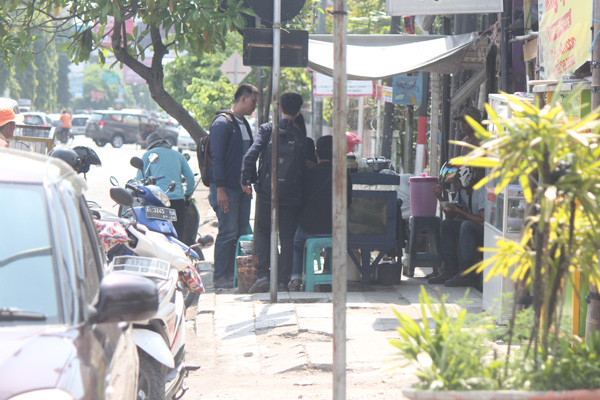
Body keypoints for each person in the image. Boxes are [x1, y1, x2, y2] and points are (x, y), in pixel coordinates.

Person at [241, 92, 309, 293]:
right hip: (292, 194)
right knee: (287, 235)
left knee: (263, 231)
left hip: (266, 193)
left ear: (279, 109)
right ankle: (282, 279)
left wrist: (249, 180)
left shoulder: (268, 129)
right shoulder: (301, 136)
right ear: (298, 112)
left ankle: (263, 275)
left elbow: (250, 156)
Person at [208, 83, 258, 289]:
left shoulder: (244, 124)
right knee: (227, 231)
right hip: (225, 188)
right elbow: (217, 159)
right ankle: (220, 276)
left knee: (240, 231)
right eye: (254, 101)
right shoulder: (222, 123)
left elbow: (244, 158)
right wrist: (220, 190)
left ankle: (235, 274)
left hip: (241, 188)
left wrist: (246, 182)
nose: (255, 106)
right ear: (244, 99)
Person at [287, 135, 352, 291]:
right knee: (332, 242)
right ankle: (327, 273)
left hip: (308, 228)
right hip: (334, 227)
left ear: (316, 153)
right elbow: (348, 203)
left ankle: (295, 277)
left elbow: (299, 201)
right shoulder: (344, 175)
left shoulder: (307, 174)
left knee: (296, 244)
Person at [428, 165, 486, 288]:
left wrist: (460, 212)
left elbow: (483, 221)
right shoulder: (462, 191)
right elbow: (450, 214)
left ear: (465, 178)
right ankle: (450, 270)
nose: (454, 184)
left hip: (485, 232)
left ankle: (466, 274)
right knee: (446, 225)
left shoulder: (481, 190)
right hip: (472, 227)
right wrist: (440, 198)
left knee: (466, 225)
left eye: (456, 181)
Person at [136, 132, 195, 238]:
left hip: (155, 201)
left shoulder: (148, 155)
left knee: (153, 235)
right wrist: (187, 196)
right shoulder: (178, 155)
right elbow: (190, 178)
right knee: (177, 236)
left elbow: (139, 181)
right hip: (177, 201)